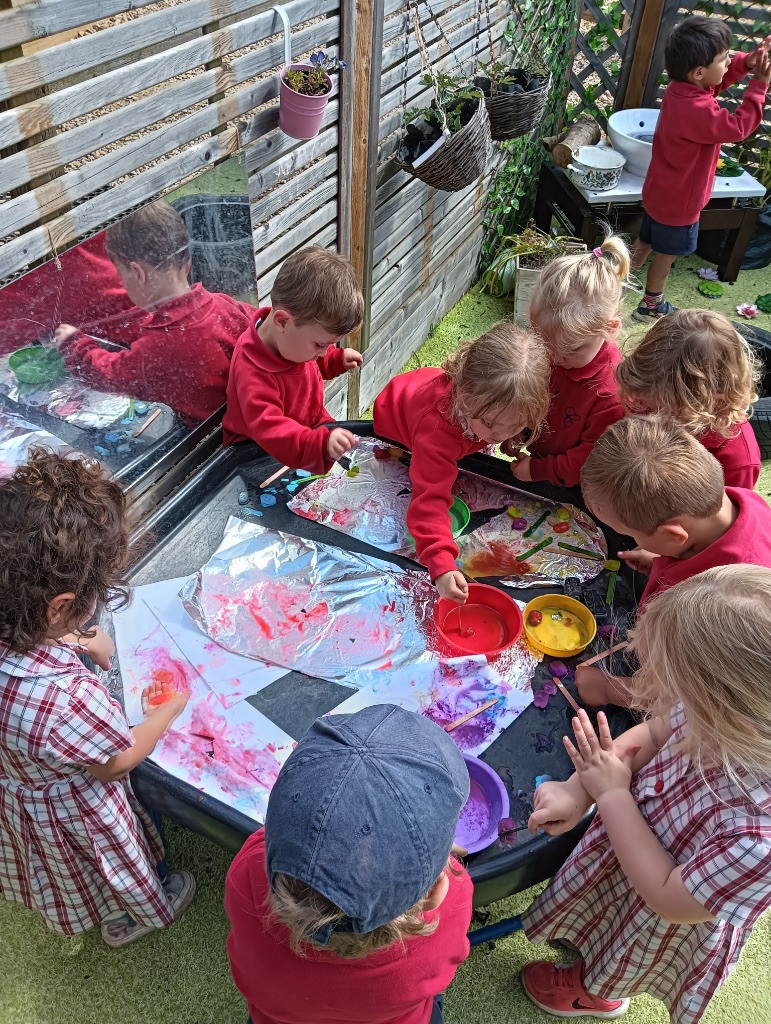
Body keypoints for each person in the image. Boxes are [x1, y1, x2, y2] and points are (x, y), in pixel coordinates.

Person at [520, 564, 771, 1023]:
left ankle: (595, 995)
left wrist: (612, 796)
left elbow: (667, 899)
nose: (659, 696)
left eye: (675, 689)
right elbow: (655, 733)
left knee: (617, 953)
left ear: (732, 715)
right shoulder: (728, 713)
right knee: (595, 914)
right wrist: (580, 791)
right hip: (627, 844)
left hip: (658, 910)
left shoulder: (760, 839)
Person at [0, 448, 194, 947]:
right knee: (99, 869)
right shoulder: (66, 698)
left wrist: (75, 638)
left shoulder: (18, 623)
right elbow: (114, 762)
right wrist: (163, 712)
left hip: (23, 795)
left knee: (62, 871)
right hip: (77, 811)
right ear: (61, 606)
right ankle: (128, 916)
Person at [225, 704, 472, 1024]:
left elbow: (273, 846)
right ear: (436, 891)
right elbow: (455, 956)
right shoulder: (453, 897)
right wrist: (424, 849)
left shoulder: (247, 875)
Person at [576, 415, 771, 706]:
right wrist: (662, 558)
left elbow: (696, 700)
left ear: (672, 535)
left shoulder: (726, 606)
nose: (630, 539)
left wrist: (613, 690)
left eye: (628, 534)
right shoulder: (734, 503)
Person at [373, 323, 550, 602]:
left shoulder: (490, 413)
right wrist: (440, 563)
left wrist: (506, 436)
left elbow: (497, 427)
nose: (499, 434)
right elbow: (428, 500)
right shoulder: (436, 432)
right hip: (394, 427)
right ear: (465, 397)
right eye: (491, 423)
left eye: (513, 425)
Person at [55, 201, 256, 425]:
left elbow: (110, 375)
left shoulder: (162, 344)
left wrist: (74, 345)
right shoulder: (226, 305)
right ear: (186, 264)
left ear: (138, 273)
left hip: (215, 438)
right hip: (245, 420)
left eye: (122, 277)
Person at [631, 17, 770, 321]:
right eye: (725, 58)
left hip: (659, 191)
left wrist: (746, 63)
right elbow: (738, 126)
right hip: (680, 202)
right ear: (698, 71)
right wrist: (758, 84)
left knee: (646, 240)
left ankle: (614, 282)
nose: (729, 61)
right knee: (665, 255)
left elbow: (716, 82)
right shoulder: (698, 109)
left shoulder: (679, 90)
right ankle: (650, 305)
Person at [223, 246, 364, 473]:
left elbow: (309, 364)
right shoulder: (252, 371)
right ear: (282, 322)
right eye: (320, 344)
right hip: (259, 457)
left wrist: (335, 359)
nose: (323, 351)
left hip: (307, 435)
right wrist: (319, 446)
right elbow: (272, 429)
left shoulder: (292, 340)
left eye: (330, 345)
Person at [513, 235, 629, 489]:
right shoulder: (558, 352)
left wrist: (539, 470)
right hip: (544, 463)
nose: (555, 359)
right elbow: (533, 397)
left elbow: (592, 458)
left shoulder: (610, 391)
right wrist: (520, 430)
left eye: (570, 351)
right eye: (546, 345)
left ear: (610, 329)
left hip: (577, 483)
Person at [617, 309, 761, 488]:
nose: (641, 407)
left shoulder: (738, 461)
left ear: (710, 400)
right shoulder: (648, 396)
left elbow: (728, 512)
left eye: (660, 411)